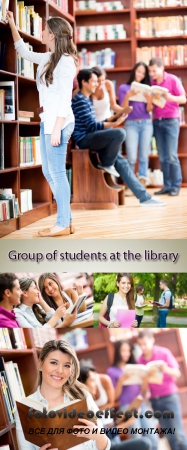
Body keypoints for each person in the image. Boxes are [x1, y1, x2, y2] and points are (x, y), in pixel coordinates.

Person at [7, 11, 77, 237]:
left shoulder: (66, 63)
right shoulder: (49, 58)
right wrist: (11, 23)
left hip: (59, 122)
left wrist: (56, 128)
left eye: (46, 29)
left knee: (56, 173)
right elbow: (24, 52)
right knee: (49, 171)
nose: (42, 31)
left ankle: (62, 223)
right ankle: (67, 220)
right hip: (47, 120)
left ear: (54, 35)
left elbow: (65, 100)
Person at [72, 69, 165, 206]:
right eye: (94, 81)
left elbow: (92, 122)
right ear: (84, 82)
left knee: (122, 162)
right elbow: (91, 126)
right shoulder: (80, 100)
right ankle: (107, 164)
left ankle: (144, 197)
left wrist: (112, 118)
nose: (96, 84)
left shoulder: (87, 99)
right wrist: (114, 123)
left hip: (92, 136)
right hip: (85, 139)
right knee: (120, 133)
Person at [15, 339, 111, 450]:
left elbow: (105, 446)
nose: (60, 370)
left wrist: (99, 437)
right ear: (40, 364)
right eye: (54, 363)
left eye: (66, 365)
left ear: (71, 370)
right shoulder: (24, 409)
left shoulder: (82, 396)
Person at [137, 329, 187, 450]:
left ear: (152, 340)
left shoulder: (163, 353)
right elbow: (143, 390)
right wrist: (144, 380)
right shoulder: (140, 361)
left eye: (145, 343)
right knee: (168, 435)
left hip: (169, 397)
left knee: (178, 434)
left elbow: (177, 373)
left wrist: (166, 369)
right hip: (155, 401)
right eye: (140, 345)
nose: (143, 347)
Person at [107, 340, 158, 450]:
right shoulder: (112, 371)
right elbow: (115, 397)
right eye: (124, 351)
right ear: (117, 352)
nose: (127, 353)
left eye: (128, 351)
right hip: (127, 408)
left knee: (153, 436)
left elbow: (144, 392)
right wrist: (120, 381)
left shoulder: (136, 367)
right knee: (136, 438)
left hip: (141, 405)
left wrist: (145, 381)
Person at [148, 57, 186, 196]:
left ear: (161, 68)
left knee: (171, 155)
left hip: (171, 121)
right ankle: (167, 185)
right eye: (150, 71)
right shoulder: (152, 83)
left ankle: (176, 185)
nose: (152, 74)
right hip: (157, 121)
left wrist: (171, 98)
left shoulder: (173, 79)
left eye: (154, 71)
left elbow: (183, 98)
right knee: (162, 156)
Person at [118, 62, 153, 186]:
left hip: (146, 124)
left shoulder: (147, 88)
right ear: (134, 71)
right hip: (131, 124)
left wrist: (149, 100)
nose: (140, 75)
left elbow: (149, 110)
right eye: (139, 71)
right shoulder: (124, 88)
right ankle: (130, 183)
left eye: (143, 73)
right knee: (132, 156)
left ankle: (142, 181)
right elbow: (122, 109)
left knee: (144, 155)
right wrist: (128, 96)